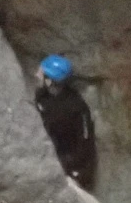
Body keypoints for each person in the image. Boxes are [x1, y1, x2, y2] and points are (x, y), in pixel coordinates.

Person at [33, 54, 97, 190]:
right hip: (52, 153)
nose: (36, 75)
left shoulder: (76, 107)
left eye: (41, 73)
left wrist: (63, 165)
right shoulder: (43, 96)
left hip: (73, 163)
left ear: (50, 81)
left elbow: (85, 143)